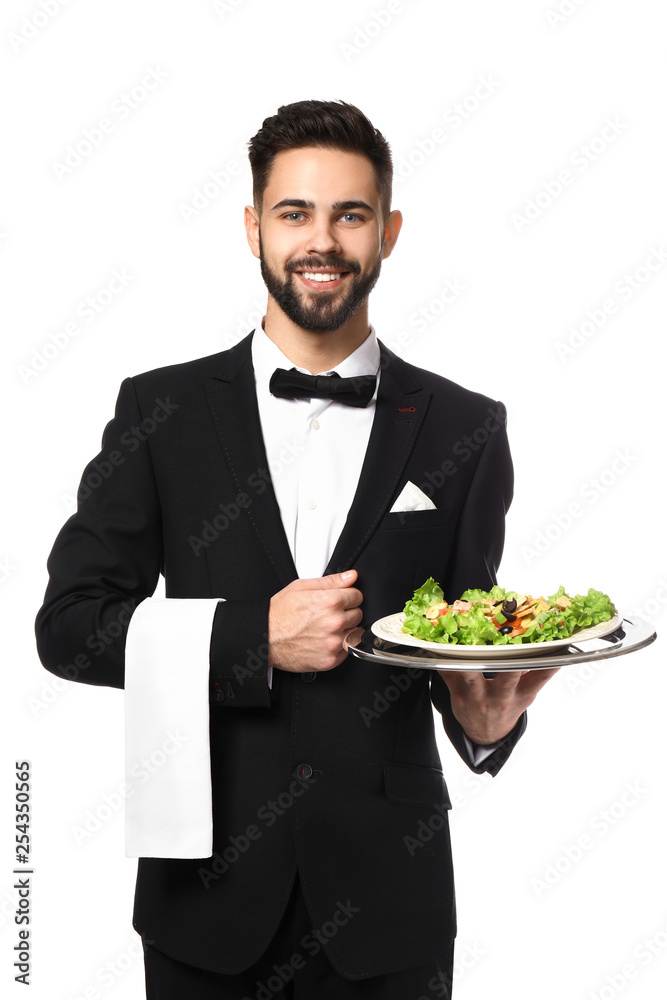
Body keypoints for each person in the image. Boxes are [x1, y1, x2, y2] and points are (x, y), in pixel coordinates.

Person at [35, 99, 558, 999]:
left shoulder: (465, 426)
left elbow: (465, 638)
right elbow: (70, 627)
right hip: (207, 894)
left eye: (350, 214)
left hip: (393, 902)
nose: (323, 239)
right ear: (252, 228)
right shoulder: (159, 412)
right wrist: (251, 640)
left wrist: (484, 726)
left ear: (388, 231)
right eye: (295, 213)